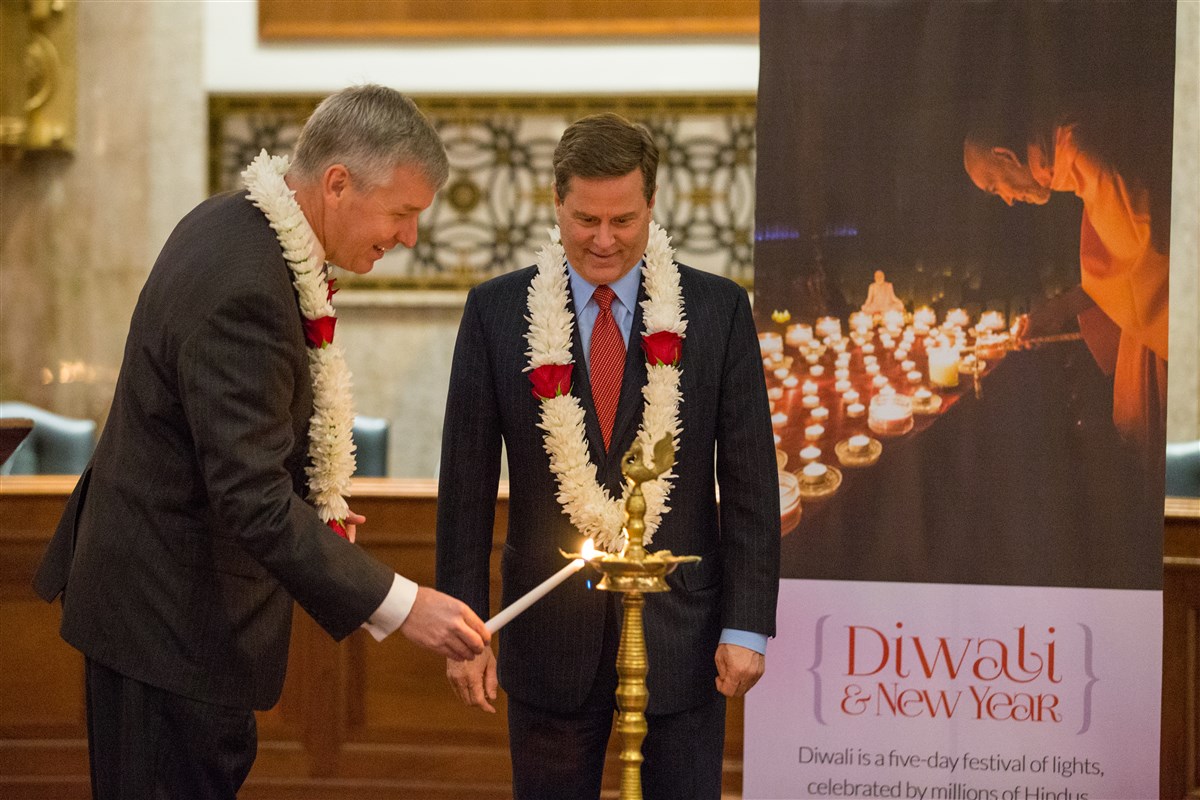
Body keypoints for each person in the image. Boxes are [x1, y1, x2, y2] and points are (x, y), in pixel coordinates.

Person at [32, 85, 490, 799]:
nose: (409, 238)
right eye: (402, 214)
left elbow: (219, 436)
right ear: (337, 183)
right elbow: (248, 496)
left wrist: (312, 500)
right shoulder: (248, 283)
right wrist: (404, 605)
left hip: (155, 612)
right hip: (169, 627)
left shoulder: (231, 224)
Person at [435, 113, 780, 800]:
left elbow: (748, 483)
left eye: (623, 220)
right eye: (585, 218)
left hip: (682, 643)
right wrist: (465, 628)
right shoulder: (496, 313)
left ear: (653, 205)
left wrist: (749, 624)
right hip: (546, 643)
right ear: (555, 203)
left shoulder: (718, 311)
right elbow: (465, 487)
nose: (602, 240)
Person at [963, 118, 1169, 464]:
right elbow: (1125, 270)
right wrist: (1058, 310)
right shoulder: (1075, 164)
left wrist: (1061, 308)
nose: (1009, 201)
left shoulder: (1092, 162)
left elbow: (1155, 275)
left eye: (995, 187)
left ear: (1006, 156)